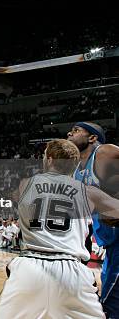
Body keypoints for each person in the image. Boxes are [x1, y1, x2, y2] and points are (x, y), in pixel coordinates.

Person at [0, 139, 119, 318]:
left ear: (50, 159)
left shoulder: (23, 185)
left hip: (29, 266)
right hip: (72, 271)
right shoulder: (89, 192)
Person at [68, 121, 119, 318]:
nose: (70, 133)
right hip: (110, 245)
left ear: (92, 138)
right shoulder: (75, 170)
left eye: (76, 130)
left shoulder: (104, 152)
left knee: (108, 306)